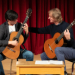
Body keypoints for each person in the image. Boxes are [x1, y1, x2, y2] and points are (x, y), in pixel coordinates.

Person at [29, 8, 75, 75]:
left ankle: (63, 72)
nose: (48, 18)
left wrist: (69, 39)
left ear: (55, 17)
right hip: (59, 51)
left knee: (58, 49)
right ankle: (49, 73)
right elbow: (39, 30)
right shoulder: (52, 27)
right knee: (43, 55)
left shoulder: (67, 26)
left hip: (71, 51)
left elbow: (73, 45)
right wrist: (28, 29)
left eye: (50, 16)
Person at [0, 10, 34, 75]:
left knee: (30, 54)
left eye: (16, 19)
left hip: (16, 50)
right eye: (14, 20)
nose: (17, 21)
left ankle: (28, 74)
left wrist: (26, 32)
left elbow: (22, 41)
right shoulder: (2, 28)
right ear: (8, 20)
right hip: (5, 50)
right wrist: (10, 42)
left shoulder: (18, 26)